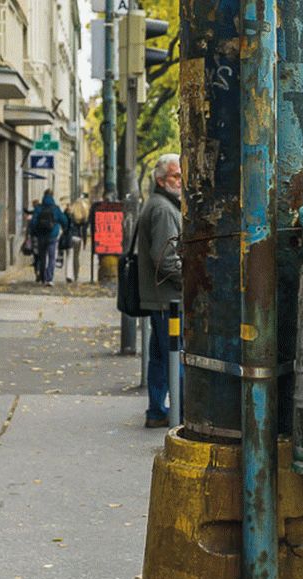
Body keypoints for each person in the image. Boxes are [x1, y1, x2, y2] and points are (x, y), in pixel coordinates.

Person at [137, 153, 182, 428]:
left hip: (160, 298)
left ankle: (157, 410)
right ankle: (180, 413)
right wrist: (189, 278)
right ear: (161, 179)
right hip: (168, 299)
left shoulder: (160, 203)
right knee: (173, 358)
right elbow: (165, 259)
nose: (181, 181)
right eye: (176, 176)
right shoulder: (164, 209)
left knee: (159, 357)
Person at [29, 189, 68, 286]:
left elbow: (33, 222)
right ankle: (49, 278)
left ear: (44, 196)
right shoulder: (55, 208)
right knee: (51, 258)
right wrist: (63, 228)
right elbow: (64, 220)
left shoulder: (39, 208)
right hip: (52, 236)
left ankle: (42, 277)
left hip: (41, 236)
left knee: (42, 257)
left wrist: (35, 232)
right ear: (52, 196)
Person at [63, 197, 90, 283]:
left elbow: (64, 222)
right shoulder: (83, 216)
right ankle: (76, 275)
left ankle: (68, 275)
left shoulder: (70, 214)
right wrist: (85, 242)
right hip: (78, 238)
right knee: (76, 258)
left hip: (70, 237)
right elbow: (84, 231)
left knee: (69, 256)